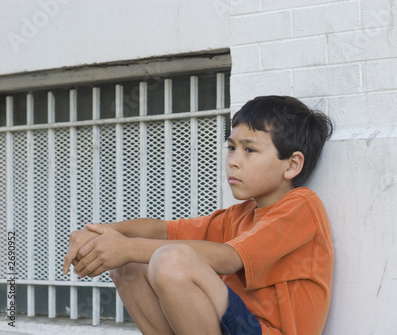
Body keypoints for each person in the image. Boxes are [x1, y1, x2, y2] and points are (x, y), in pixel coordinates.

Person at [63, 95, 334, 335]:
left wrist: (126, 247)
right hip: (233, 327)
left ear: (292, 164)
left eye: (249, 150)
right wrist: (103, 234)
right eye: (231, 147)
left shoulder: (301, 206)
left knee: (171, 260)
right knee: (128, 266)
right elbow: (162, 230)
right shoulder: (238, 215)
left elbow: (229, 259)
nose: (233, 161)